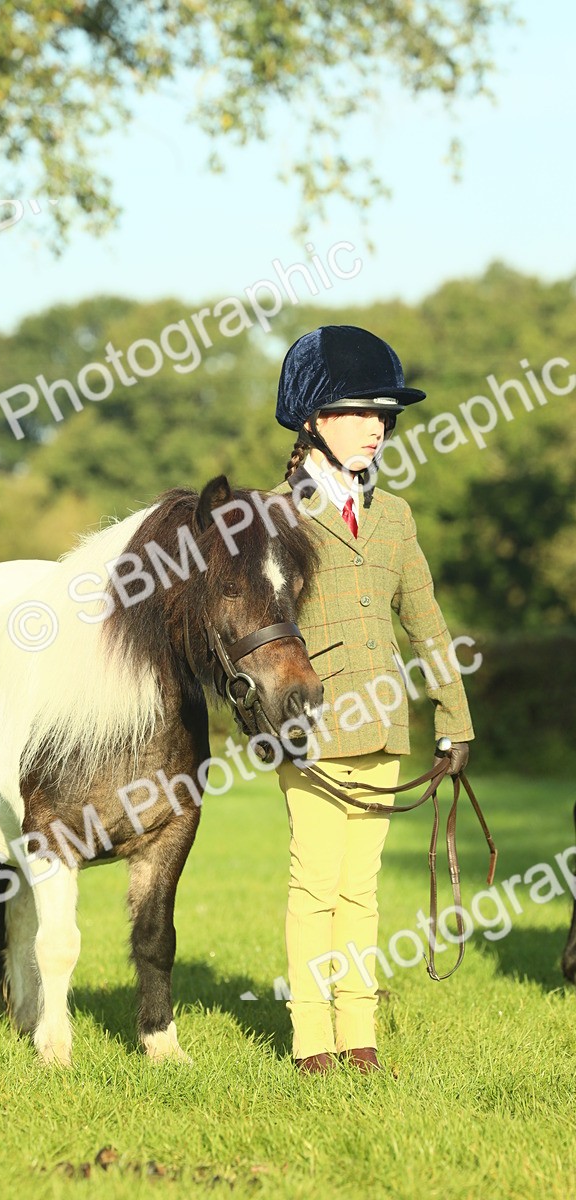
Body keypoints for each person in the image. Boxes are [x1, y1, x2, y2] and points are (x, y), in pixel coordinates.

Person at [267, 324, 474, 1076]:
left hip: (386, 726)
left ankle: (360, 1038)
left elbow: (426, 622)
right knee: (315, 883)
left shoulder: (395, 517)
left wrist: (455, 723)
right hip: (312, 732)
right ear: (314, 420)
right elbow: (248, 638)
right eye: (360, 412)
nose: (377, 429)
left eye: (384, 415)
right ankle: (310, 1041)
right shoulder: (272, 518)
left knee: (360, 890)